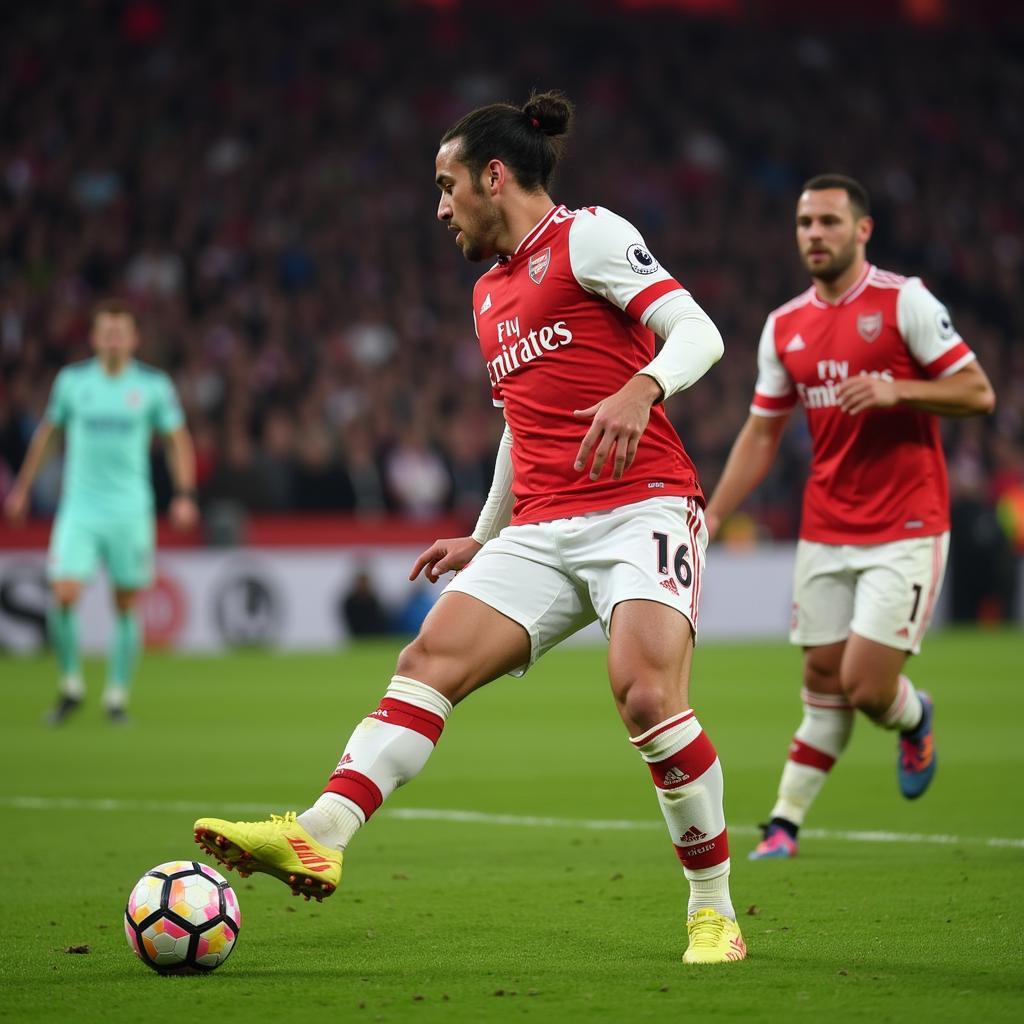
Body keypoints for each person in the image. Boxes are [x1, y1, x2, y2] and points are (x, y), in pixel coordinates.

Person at [194, 91, 746, 965]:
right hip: (541, 524)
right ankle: (322, 831)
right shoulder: (487, 294)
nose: (440, 207)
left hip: (641, 504)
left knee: (646, 695)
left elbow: (698, 331)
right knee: (426, 662)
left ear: (496, 176)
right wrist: (487, 533)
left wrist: (642, 387)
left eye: (448, 186)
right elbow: (518, 428)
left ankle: (713, 909)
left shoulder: (588, 234)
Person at [703, 174, 995, 860]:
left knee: (867, 686)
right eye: (805, 223)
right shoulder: (785, 326)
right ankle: (785, 822)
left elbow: (977, 392)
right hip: (827, 527)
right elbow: (762, 432)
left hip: (907, 523)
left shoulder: (905, 302)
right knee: (821, 681)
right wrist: (714, 513)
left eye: (830, 222)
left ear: (862, 231)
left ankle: (915, 715)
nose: (815, 235)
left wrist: (900, 389)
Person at [4, 300, 198, 723]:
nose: (113, 339)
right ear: (93, 338)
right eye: (106, 332)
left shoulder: (152, 386)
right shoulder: (73, 382)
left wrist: (184, 493)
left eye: (120, 332)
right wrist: (21, 488)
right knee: (64, 591)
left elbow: (177, 440)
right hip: (79, 507)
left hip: (130, 509)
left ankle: (116, 695)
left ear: (133, 339)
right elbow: (48, 435)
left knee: (126, 602)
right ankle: (71, 684)